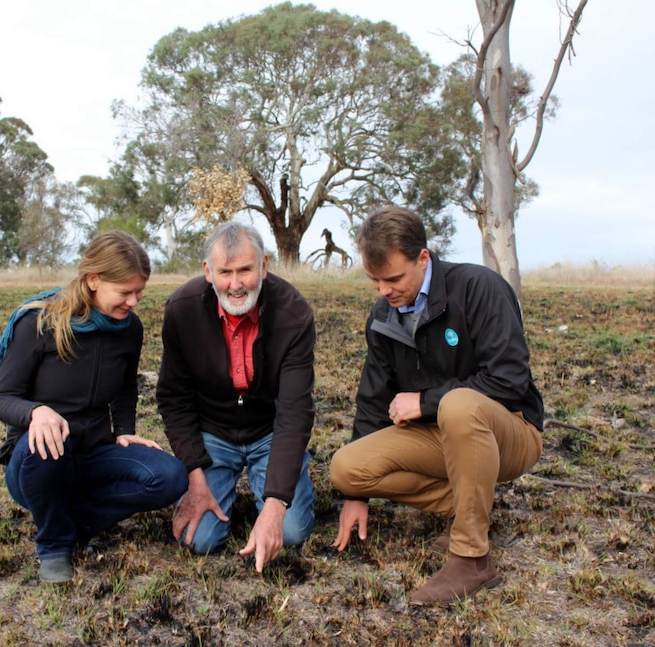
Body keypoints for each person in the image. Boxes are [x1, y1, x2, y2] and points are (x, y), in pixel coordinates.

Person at [330, 206, 544, 606]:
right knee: (346, 468)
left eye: (393, 278)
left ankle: (471, 558)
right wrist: (354, 496)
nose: (383, 291)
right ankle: (469, 505)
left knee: (460, 405)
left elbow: (509, 383)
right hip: (442, 434)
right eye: (373, 280)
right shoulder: (382, 316)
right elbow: (373, 400)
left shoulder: (480, 288)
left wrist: (426, 402)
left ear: (423, 258)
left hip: (512, 430)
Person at [0, 231, 188, 583]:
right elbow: (2, 397)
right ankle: (53, 547)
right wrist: (36, 412)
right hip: (37, 462)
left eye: (139, 292)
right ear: (94, 280)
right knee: (52, 436)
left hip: (95, 450)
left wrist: (125, 432)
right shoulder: (39, 321)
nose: (134, 302)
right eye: (125, 292)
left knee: (169, 477)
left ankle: (73, 522)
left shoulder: (129, 329)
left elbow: (126, 386)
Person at [156, 221, 316, 573]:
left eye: (245, 269)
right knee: (199, 540)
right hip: (213, 433)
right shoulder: (181, 310)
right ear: (208, 272)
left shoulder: (294, 313)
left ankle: (282, 487)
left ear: (264, 265)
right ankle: (222, 488)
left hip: (270, 431)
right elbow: (174, 398)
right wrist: (196, 480)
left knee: (290, 531)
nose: (236, 284)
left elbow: (294, 411)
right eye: (225, 272)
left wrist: (276, 507)